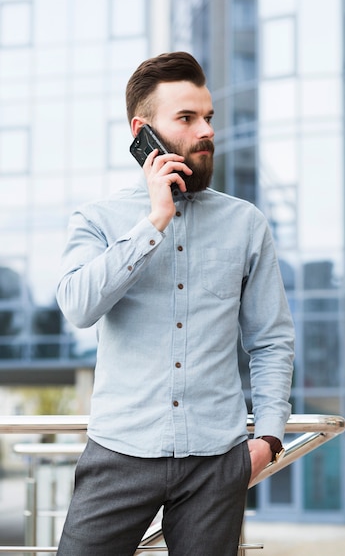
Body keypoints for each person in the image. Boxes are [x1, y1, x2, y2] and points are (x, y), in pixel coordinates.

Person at [56, 51, 295, 556]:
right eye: (186, 118)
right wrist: (153, 222)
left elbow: (271, 340)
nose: (206, 130)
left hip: (217, 461)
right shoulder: (97, 219)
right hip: (118, 455)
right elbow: (78, 307)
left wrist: (268, 439)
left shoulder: (246, 223)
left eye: (208, 117)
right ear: (143, 131)